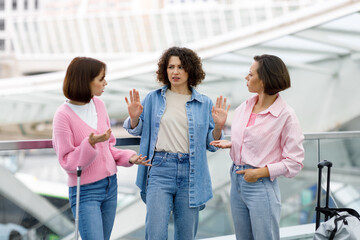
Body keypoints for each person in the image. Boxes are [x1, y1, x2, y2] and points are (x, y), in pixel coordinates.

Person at [123, 46, 230, 240]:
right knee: (155, 233)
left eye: (181, 67)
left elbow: (211, 144)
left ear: (191, 70)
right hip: (159, 170)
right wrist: (134, 118)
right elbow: (136, 130)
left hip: (191, 172)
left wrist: (218, 127)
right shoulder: (153, 98)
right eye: (171, 67)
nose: (175, 72)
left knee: (186, 235)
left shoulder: (204, 103)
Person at [52, 57, 150, 240]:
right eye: (101, 78)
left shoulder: (99, 105)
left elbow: (109, 147)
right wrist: (89, 145)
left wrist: (129, 157)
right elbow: (67, 161)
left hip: (110, 185)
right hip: (86, 192)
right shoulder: (62, 116)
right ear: (85, 81)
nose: (105, 83)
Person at [211, 54, 304, 240]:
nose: (246, 78)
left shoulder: (285, 115)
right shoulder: (243, 108)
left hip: (260, 185)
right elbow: (254, 142)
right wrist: (232, 142)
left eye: (250, 74)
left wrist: (258, 173)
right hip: (236, 181)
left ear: (263, 81)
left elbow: (295, 162)